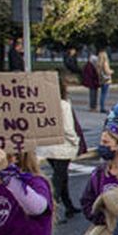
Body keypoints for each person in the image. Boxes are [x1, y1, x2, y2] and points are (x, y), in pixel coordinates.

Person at [39, 73, 88, 224]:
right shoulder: (63, 104)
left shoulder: (42, 103)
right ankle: (51, 213)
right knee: (58, 180)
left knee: (62, 176)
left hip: (47, 146)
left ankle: (68, 206)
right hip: (62, 147)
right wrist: (76, 141)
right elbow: (68, 128)